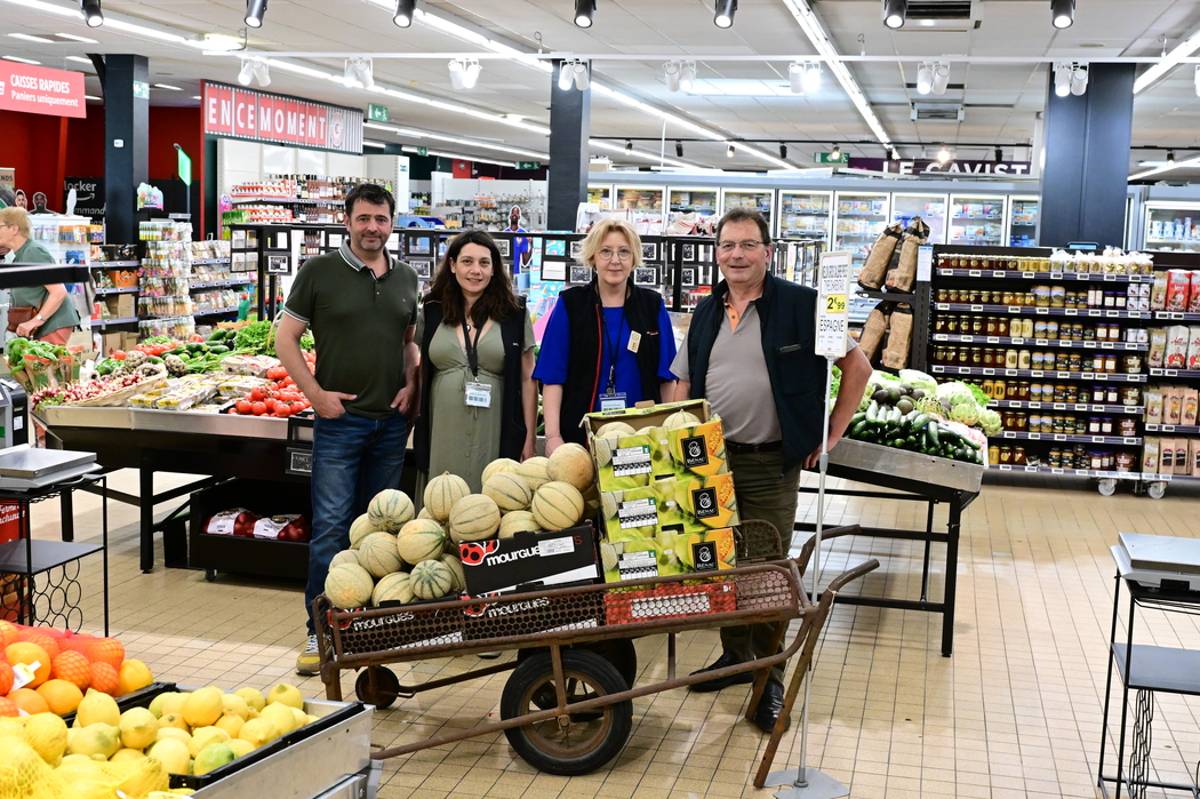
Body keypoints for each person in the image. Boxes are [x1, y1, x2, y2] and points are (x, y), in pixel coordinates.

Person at [671, 207, 871, 733]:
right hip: (710, 465)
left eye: (747, 245)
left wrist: (831, 433)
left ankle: (769, 678)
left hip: (767, 463)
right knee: (721, 565)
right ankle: (736, 658)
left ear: (767, 252)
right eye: (727, 246)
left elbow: (859, 366)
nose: (736, 255)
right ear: (717, 253)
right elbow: (685, 379)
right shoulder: (709, 310)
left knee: (765, 575)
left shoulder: (803, 305)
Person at [275, 183, 420, 675]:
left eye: (380, 219)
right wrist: (315, 395)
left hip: (390, 426)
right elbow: (286, 339)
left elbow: (408, 344)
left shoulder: (406, 278)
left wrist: (412, 384)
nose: (372, 228)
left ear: (391, 222)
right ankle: (321, 635)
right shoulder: (319, 272)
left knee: (382, 533)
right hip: (340, 424)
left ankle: (371, 629)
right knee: (332, 530)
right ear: (347, 220)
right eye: (363, 219)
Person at [535, 218, 677, 453]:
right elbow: (552, 378)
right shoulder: (571, 305)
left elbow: (667, 378)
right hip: (580, 437)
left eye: (624, 252)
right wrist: (552, 437)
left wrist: (670, 434)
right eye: (606, 252)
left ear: (634, 259)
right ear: (593, 258)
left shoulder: (652, 306)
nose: (615, 261)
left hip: (641, 438)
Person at [412, 230, 536, 493]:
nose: (475, 270)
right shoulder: (432, 309)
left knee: (486, 504)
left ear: (494, 270)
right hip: (441, 428)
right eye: (467, 261)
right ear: (453, 265)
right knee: (441, 499)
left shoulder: (514, 313)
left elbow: (527, 378)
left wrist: (529, 438)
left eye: (484, 263)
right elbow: (420, 369)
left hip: (495, 429)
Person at [0, 207, 81, 345]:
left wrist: (35, 321)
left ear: (14, 229)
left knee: (45, 366)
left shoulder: (33, 252)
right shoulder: (21, 253)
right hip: (43, 327)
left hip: (53, 325)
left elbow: (58, 292)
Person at [506, 205, 532, 275]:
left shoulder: (523, 234)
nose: (514, 214)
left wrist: (531, 245)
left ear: (519, 217)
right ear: (510, 216)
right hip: (503, 272)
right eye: (513, 213)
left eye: (517, 213)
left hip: (515, 273)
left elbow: (525, 262)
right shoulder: (504, 233)